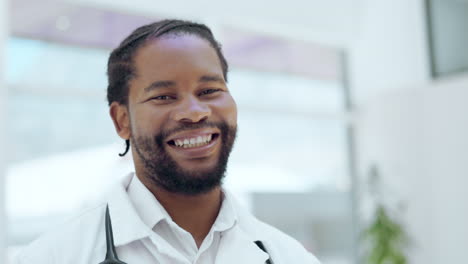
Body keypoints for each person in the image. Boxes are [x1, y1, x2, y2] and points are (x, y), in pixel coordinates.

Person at [14, 19, 321, 264]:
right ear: (122, 121)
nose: (194, 112)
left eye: (209, 90)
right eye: (164, 96)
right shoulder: (53, 256)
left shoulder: (288, 256)